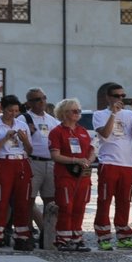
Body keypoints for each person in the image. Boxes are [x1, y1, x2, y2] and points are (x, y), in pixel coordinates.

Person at [91, 83, 132, 249]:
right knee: (105, 200)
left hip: (127, 164)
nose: (120, 99)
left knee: (124, 201)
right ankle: (103, 236)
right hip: (109, 162)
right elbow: (105, 133)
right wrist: (113, 113)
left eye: (123, 96)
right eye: (116, 96)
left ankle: (123, 236)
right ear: (108, 97)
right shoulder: (100, 114)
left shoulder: (129, 114)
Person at [0, 95, 35, 251]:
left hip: (21, 162)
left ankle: (22, 237)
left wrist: (25, 140)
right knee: (0, 201)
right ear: (3, 110)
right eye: (10, 110)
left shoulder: (22, 125)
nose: (13, 114)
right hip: (3, 162)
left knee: (22, 201)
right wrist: (5, 138)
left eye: (16, 111)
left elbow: (30, 150)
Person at [48, 98, 94, 251]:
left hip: (83, 175)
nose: (77, 113)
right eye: (74, 111)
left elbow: (92, 149)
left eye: (78, 110)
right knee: (66, 206)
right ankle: (63, 239)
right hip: (65, 174)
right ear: (64, 113)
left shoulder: (82, 131)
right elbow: (55, 155)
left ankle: (77, 238)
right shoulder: (57, 132)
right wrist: (75, 160)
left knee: (80, 207)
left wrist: (89, 160)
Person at [21, 88, 60, 249]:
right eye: (37, 99)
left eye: (43, 98)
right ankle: (26, 232)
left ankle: (47, 233)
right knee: (28, 200)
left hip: (50, 163)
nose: (41, 102)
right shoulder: (24, 119)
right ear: (29, 103)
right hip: (33, 162)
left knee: (50, 200)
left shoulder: (52, 120)